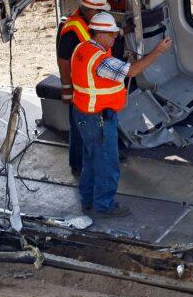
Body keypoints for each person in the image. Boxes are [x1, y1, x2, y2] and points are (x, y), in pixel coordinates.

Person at [71, 12, 173, 217]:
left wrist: (126, 29)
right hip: (99, 119)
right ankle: (104, 206)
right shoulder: (101, 61)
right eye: (110, 34)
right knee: (107, 164)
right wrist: (158, 51)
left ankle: (88, 201)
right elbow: (132, 71)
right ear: (100, 34)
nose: (114, 38)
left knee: (91, 161)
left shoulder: (82, 48)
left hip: (84, 114)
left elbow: (117, 37)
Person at [55, 0, 112, 176]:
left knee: (94, 126)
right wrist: (66, 89)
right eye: (99, 10)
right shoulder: (73, 30)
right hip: (79, 87)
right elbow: (63, 60)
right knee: (80, 127)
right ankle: (78, 165)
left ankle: (94, 158)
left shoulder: (88, 22)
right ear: (87, 9)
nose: (101, 13)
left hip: (92, 85)